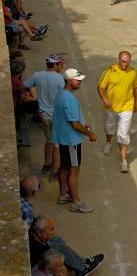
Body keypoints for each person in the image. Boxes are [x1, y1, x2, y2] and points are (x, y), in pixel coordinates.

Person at [52, 68, 97, 213]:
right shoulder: (69, 99)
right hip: (72, 141)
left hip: (63, 139)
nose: (80, 82)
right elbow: (75, 124)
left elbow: (73, 120)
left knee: (64, 167)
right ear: (70, 80)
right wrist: (90, 134)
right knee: (74, 170)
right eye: (78, 80)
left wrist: (83, 124)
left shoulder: (61, 95)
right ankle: (76, 202)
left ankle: (63, 195)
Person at [24, 54, 67, 180]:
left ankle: (46, 164)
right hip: (57, 117)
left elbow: (25, 85)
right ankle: (55, 171)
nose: (62, 65)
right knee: (58, 145)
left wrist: (31, 96)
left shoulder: (38, 75)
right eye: (61, 63)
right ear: (55, 64)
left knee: (48, 141)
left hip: (43, 116)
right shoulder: (60, 78)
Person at [97, 51, 137, 173]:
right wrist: (105, 99)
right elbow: (100, 87)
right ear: (119, 60)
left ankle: (123, 160)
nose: (125, 64)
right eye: (123, 61)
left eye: (127, 61)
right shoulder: (110, 71)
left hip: (127, 106)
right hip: (110, 108)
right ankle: (108, 142)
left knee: (123, 134)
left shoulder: (133, 72)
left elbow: (136, 88)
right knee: (109, 128)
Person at [28, 215, 104, 276]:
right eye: (51, 229)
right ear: (40, 233)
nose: (54, 231)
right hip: (38, 262)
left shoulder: (34, 234)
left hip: (41, 247)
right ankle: (82, 268)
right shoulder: (37, 247)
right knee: (62, 248)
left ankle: (73, 262)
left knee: (57, 239)